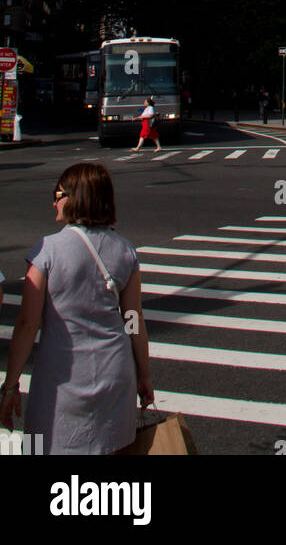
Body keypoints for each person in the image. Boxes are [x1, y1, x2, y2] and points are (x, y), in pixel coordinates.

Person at [0, 162, 153, 454]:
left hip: (61, 381)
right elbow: (133, 317)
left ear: (75, 198)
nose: (53, 201)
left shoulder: (47, 251)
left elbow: (28, 324)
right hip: (116, 374)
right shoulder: (125, 251)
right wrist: (144, 375)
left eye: (58, 193)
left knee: (43, 449)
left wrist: (10, 385)